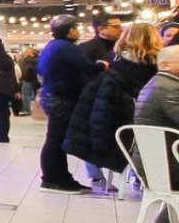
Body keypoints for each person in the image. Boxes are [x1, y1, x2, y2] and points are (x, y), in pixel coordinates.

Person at [66, 21, 160, 196]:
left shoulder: (113, 58)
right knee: (146, 141)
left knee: (92, 135)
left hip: (110, 112)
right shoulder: (157, 63)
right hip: (143, 113)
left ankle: (97, 177)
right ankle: (140, 178)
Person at [37, 15, 103, 192]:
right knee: (56, 140)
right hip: (61, 98)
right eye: (76, 27)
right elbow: (88, 67)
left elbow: (39, 69)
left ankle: (61, 177)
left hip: (52, 95)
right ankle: (52, 179)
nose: (78, 31)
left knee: (56, 139)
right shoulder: (66, 47)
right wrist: (102, 65)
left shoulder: (51, 46)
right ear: (69, 30)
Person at [132, 45, 179, 223]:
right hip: (167, 166)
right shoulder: (169, 88)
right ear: (165, 64)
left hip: (156, 163)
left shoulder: (157, 84)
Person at [76, 17, 125, 190]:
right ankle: (96, 176)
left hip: (117, 100)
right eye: (115, 26)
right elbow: (82, 75)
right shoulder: (87, 48)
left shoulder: (123, 48)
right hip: (94, 99)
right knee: (92, 138)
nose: (120, 29)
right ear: (101, 29)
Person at [18, 46, 40, 116]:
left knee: (26, 95)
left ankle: (27, 109)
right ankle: (38, 110)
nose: (25, 52)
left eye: (26, 51)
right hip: (36, 80)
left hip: (28, 80)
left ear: (31, 53)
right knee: (36, 95)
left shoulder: (28, 60)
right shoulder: (38, 60)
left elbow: (26, 70)